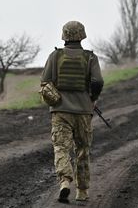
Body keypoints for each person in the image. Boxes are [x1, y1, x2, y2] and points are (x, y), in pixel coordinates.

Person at [40, 21, 104, 203]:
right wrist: (93, 98)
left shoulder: (55, 56)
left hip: (60, 111)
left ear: (64, 36)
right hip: (84, 111)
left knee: (61, 147)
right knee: (82, 150)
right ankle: (82, 192)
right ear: (82, 35)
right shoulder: (90, 58)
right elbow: (98, 81)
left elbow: (44, 82)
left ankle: (65, 182)